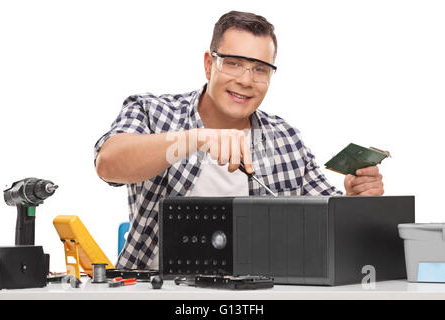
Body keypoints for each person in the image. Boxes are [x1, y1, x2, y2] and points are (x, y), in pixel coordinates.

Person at [94, 11, 384, 270]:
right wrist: (196, 139)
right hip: (157, 288)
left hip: (258, 292)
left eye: (260, 69)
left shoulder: (286, 138)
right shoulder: (151, 111)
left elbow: (325, 222)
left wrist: (355, 202)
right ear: (209, 65)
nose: (246, 80)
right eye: (233, 63)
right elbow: (108, 164)